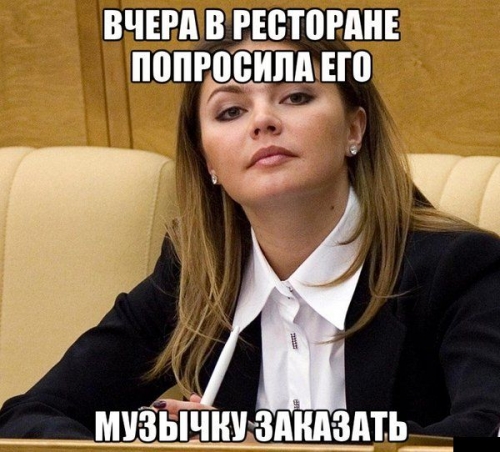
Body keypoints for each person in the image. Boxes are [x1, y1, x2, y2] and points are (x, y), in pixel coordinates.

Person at [1, 23, 500, 440]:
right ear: (208, 161)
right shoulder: (195, 276)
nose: (262, 121)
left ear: (354, 129)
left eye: (296, 96)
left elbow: (485, 428)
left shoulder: (461, 269)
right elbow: (28, 418)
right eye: (231, 111)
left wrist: (263, 444)